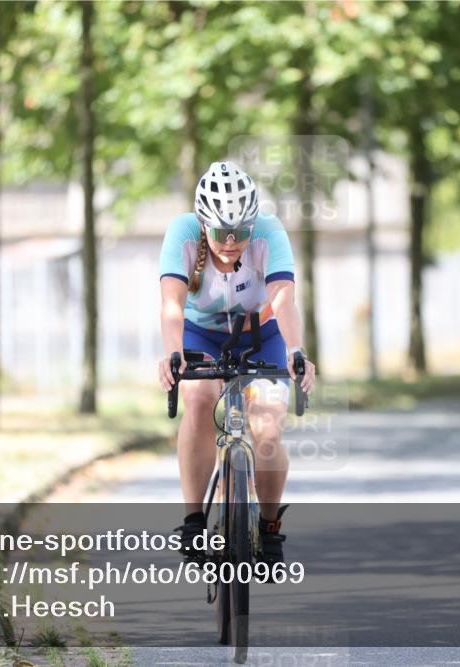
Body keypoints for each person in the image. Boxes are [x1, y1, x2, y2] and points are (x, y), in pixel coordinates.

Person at [157, 161, 316, 565]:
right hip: (200, 336)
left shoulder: (269, 231)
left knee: (267, 426)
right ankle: (194, 523)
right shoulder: (183, 233)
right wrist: (173, 352)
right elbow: (172, 304)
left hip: (261, 335)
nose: (231, 242)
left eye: (241, 232)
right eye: (221, 232)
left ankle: (269, 528)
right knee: (198, 399)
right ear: (202, 222)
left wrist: (296, 351)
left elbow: (283, 299)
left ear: (252, 223)